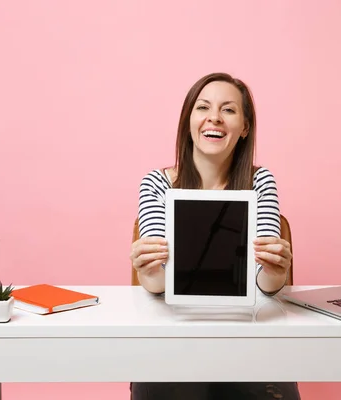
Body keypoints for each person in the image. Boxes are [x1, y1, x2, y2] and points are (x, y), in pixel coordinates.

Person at [129, 72, 300, 400]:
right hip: (173, 334)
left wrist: (276, 270)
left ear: (245, 127)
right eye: (203, 107)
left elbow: (264, 283)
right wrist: (148, 269)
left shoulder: (260, 180)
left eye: (229, 110)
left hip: (247, 334)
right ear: (189, 120)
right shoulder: (157, 183)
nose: (214, 118)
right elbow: (156, 284)